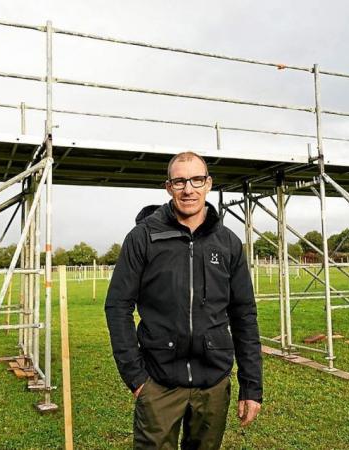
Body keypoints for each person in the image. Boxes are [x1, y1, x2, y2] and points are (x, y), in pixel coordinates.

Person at [105, 151, 263, 449]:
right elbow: (117, 306)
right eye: (179, 182)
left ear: (208, 183)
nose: (188, 189)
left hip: (213, 384)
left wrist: (251, 387)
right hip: (158, 383)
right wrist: (137, 378)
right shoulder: (142, 238)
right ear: (168, 187)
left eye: (196, 180)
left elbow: (244, 314)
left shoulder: (228, 243)